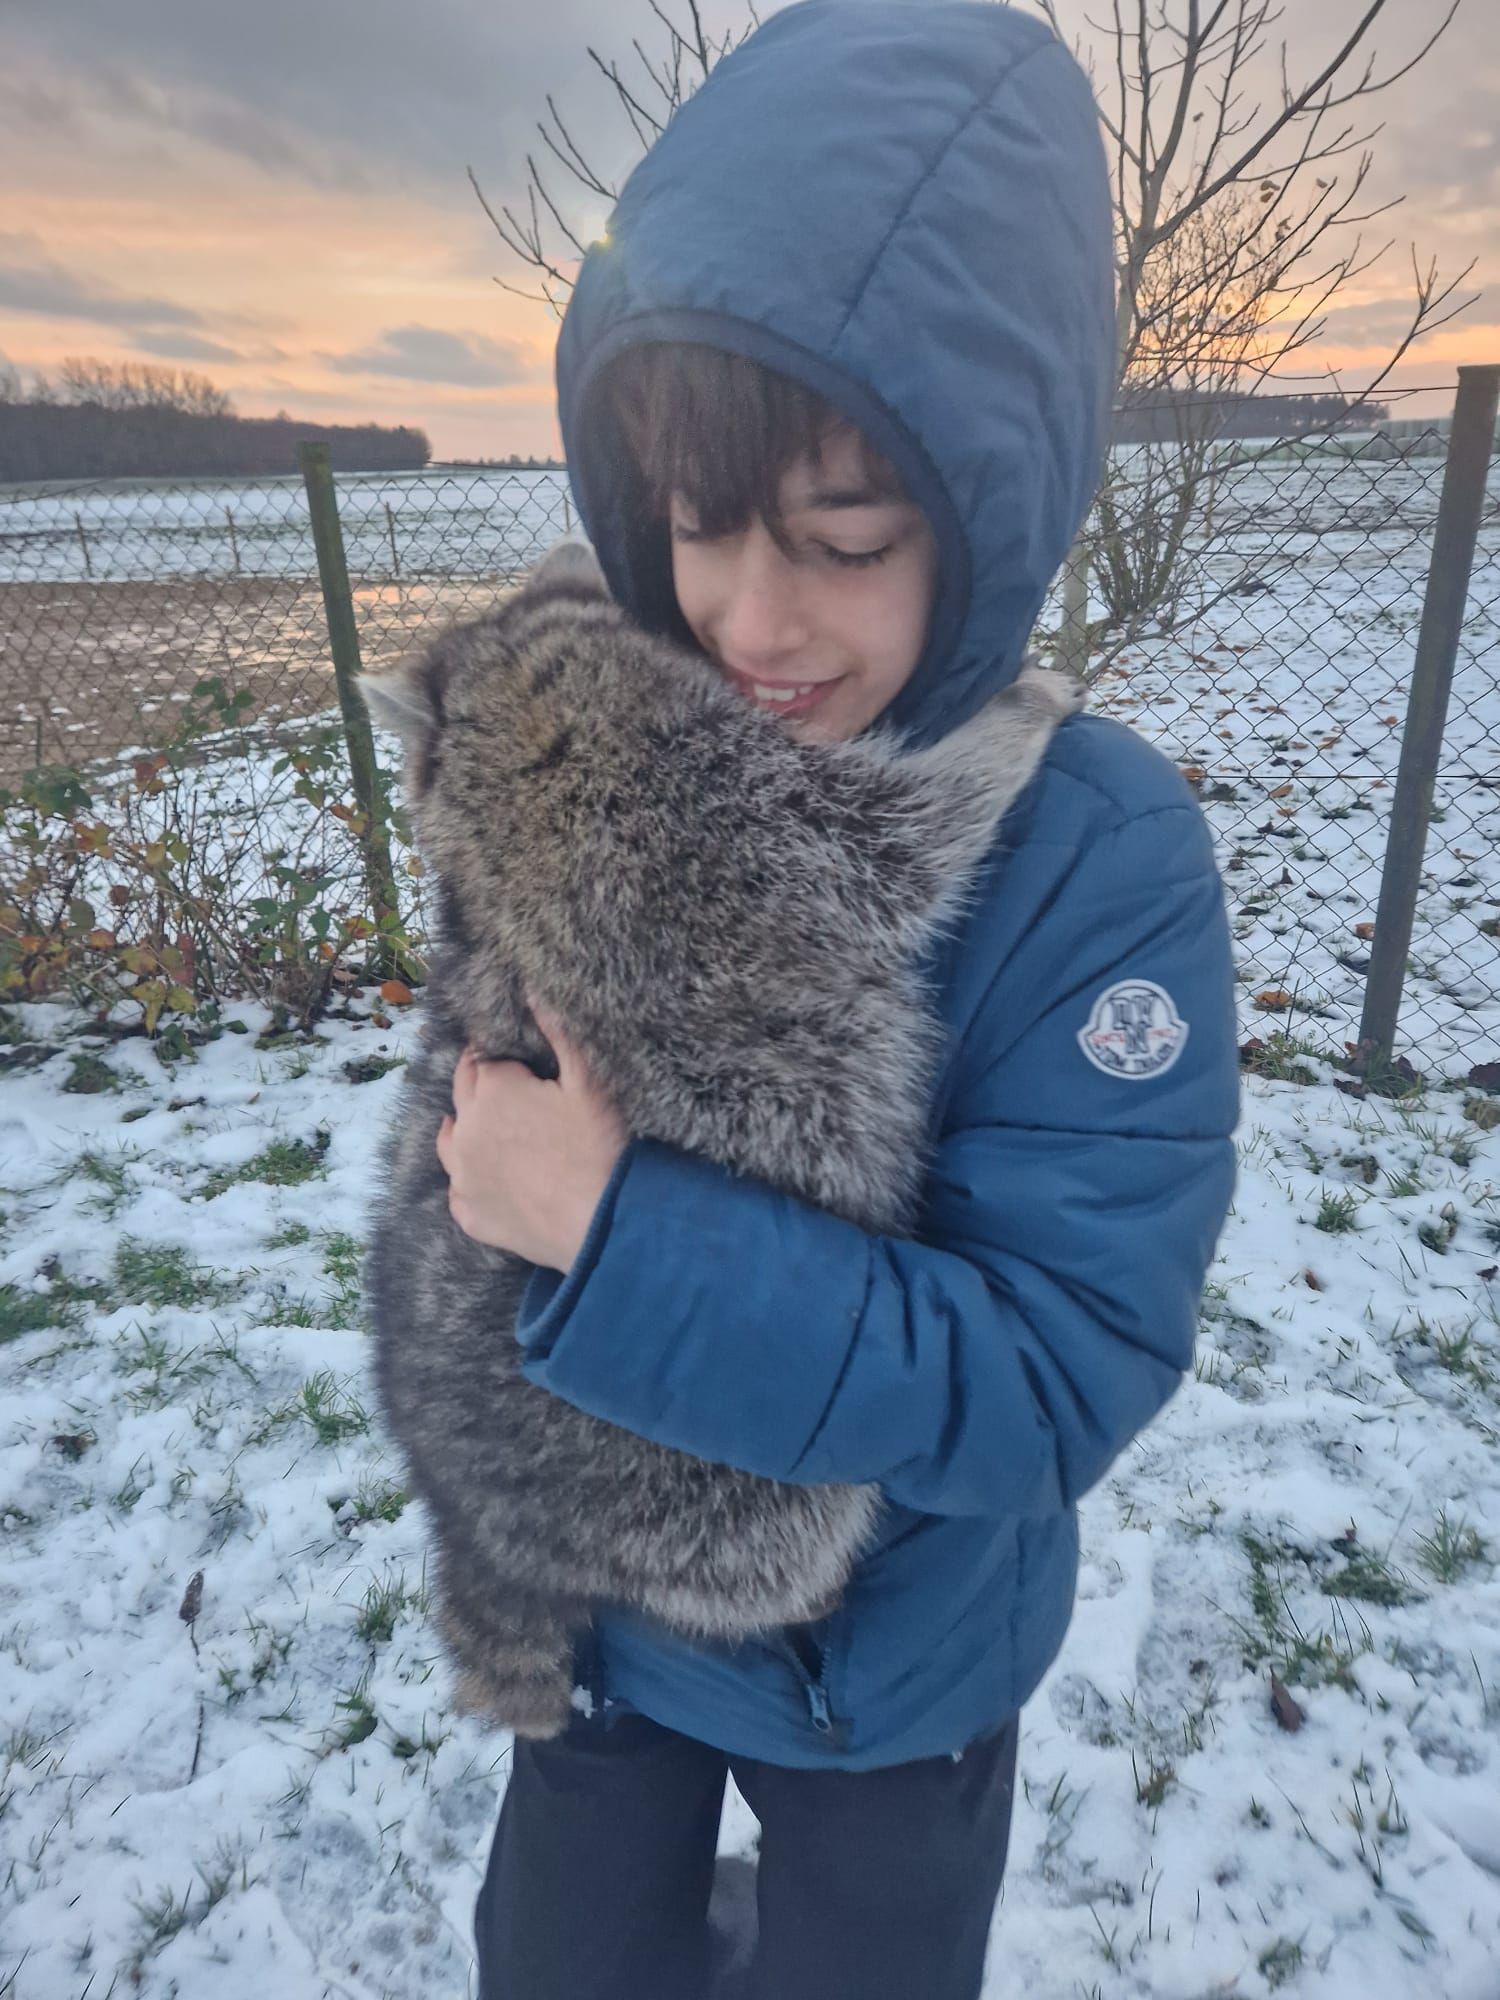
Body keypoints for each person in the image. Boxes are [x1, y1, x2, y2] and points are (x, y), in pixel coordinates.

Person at [437, 4, 1240, 1996]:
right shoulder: (601, 730)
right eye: (698, 526)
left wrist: (615, 1242)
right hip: (600, 1615)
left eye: (847, 541)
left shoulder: (1095, 864)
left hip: (896, 1681)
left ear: (992, 505)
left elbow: (1056, 1370)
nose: (752, 619)